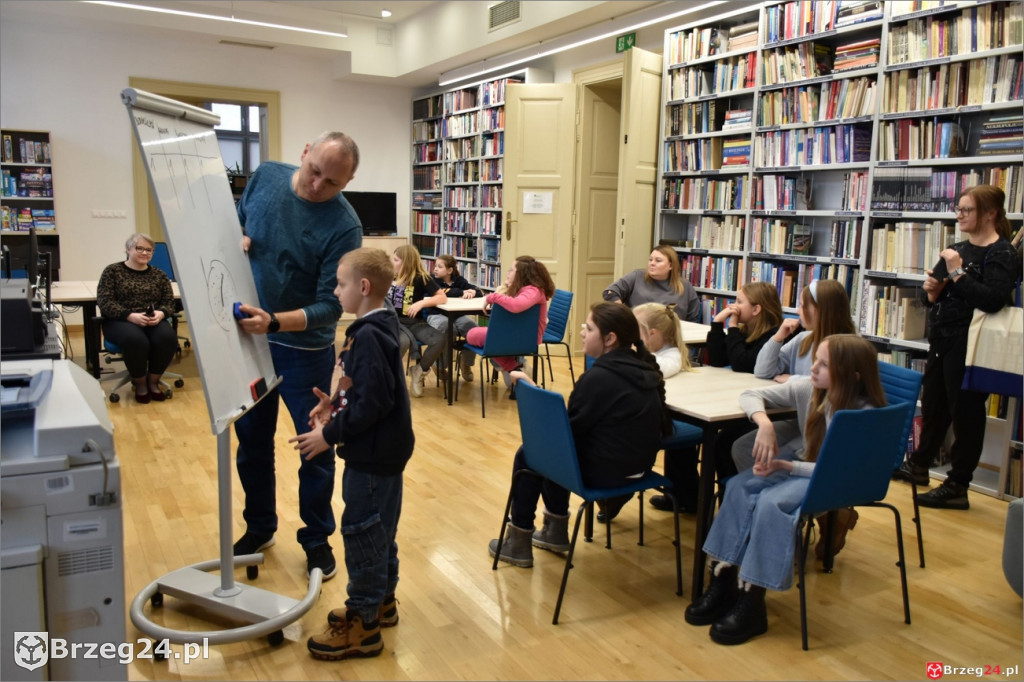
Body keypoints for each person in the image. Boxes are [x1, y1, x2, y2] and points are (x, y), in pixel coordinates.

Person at [685, 335, 887, 645]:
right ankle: (723, 578)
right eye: (815, 360)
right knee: (739, 486)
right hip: (807, 467)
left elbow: (834, 470)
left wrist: (786, 467)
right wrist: (762, 422)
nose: (812, 369)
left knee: (771, 503)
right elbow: (751, 393)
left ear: (852, 376)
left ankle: (753, 601)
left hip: (833, 480)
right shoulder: (811, 388)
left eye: (823, 364)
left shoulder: (863, 415)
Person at [232, 131, 362, 580]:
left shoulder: (344, 226)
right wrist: (239, 238)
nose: (316, 187)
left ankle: (316, 540)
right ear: (303, 151)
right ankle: (259, 527)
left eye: (331, 183)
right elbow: (238, 223)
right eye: (314, 172)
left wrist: (274, 321)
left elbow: (332, 307)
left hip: (304, 351)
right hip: (251, 342)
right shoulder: (266, 176)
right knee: (251, 444)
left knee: (316, 450)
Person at [291, 248, 414, 662]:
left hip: (372, 458)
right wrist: (336, 401)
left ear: (363, 288)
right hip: (383, 453)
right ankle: (382, 602)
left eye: (341, 283)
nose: (335, 290)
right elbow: (366, 390)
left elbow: (374, 403)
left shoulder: (369, 336)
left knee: (362, 533)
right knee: (380, 533)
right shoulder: (377, 327)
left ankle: (363, 625)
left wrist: (329, 434)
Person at [488, 302, 671, 567]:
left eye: (590, 328)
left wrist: (532, 392)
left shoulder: (599, 378)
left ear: (610, 339)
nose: (583, 332)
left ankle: (520, 540)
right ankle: (554, 530)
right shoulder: (643, 369)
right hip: (640, 468)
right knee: (552, 452)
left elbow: (565, 434)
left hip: (609, 474)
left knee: (529, 454)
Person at [896, 184, 1018, 510]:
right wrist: (930, 292)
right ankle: (919, 465)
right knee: (934, 403)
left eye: (967, 210)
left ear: (990, 213)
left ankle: (957, 484)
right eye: (959, 210)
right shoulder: (957, 247)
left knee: (965, 414)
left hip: (972, 343)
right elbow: (931, 295)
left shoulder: (1002, 252)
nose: (960, 216)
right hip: (942, 338)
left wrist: (957, 272)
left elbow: (993, 300)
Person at [738, 279, 856, 472]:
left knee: (749, 448)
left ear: (819, 310)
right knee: (741, 446)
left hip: (823, 428)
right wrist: (778, 336)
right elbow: (763, 370)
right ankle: (759, 488)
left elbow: (836, 384)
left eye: (802, 305)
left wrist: (793, 379)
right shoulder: (804, 339)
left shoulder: (848, 347)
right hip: (798, 418)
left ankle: (773, 489)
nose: (798, 310)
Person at [630, 303, 701, 516]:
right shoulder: (656, 351)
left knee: (678, 445)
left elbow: (657, 369)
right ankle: (681, 496)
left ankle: (686, 497)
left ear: (652, 334)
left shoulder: (672, 356)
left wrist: (635, 353)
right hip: (658, 414)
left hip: (669, 418)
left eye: (637, 333)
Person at [96, 232, 178, 403]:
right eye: (139, 248)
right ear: (128, 249)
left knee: (167, 338)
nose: (145, 253)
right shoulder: (113, 271)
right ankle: (140, 384)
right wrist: (130, 316)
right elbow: (105, 302)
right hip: (120, 320)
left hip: (152, 319)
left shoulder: (159, 275)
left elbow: (169, 302)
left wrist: (161, 313)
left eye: (149, 250)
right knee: (136, 340)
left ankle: (153, 382)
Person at [464, 255, 555, 395]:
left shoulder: (533, 291)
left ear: (521, 274)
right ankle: (515, 367)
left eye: (511, 270)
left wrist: (492, 297)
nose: (508, 272)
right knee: (478, 335)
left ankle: (513, 367)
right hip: (514, 333)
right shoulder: (524, 289)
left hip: (524, 338)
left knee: (472, 334)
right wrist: (505, 288)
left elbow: (516, 306)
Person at [387, 245, 448, 397]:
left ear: (406, 262)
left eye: (396, 260)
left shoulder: (421, 278)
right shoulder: (389, 275)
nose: (392, 262)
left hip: (416, 323)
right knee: (402, 343)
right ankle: (387, 381)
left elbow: (442, 297)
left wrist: (421, 303)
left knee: (440, 339)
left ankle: (419, 370)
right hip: (395, 323)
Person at [602, 245, 701, 322]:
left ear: (671, 265)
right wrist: (625, 315)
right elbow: (610, 292)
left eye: (658, 261)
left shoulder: (684, 285)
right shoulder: (636, 276)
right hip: (640, 333)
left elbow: (693, 317)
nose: (652, 263)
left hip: (672, 337)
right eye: (650, 259)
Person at [705, 281, 784, 373]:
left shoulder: (774, 335)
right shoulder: (745, 330)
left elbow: (741, 364)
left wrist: (733, 326)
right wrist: (717, 322)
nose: (733, 305)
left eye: (739, 302)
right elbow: (717, 360)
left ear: (756, 309)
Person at [426, 254, 479, 381]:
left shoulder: (458, 280)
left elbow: (477, 290)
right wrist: (461, 292)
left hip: (456, 314)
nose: (435, 269)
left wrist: (473, 291)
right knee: (449, 329)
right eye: (435, 266)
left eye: (440, 266)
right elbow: (441, 292)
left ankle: (466, 363)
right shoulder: (431, 280)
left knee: (473, 329)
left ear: (450, 270)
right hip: (436, 314)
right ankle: (440, 365)